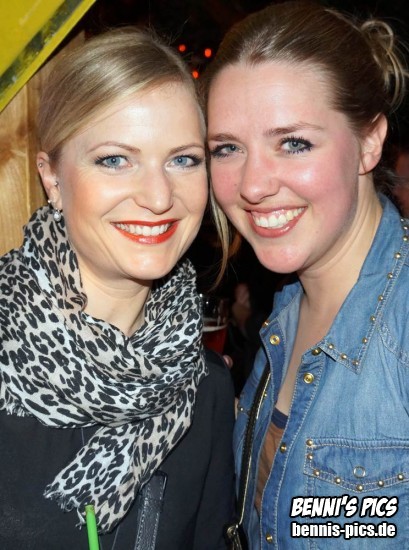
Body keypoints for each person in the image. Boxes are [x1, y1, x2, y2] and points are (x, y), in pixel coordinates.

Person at [0, 27, 235, 549]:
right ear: (52, 178)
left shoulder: (207, 390)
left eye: (183, 159)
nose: (158, 196)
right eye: (114, 159)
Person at [203, 1, 409, 548]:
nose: (252, 185)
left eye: (293, 143)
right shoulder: (288, 306)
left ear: (370, 141)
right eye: (228, 148)